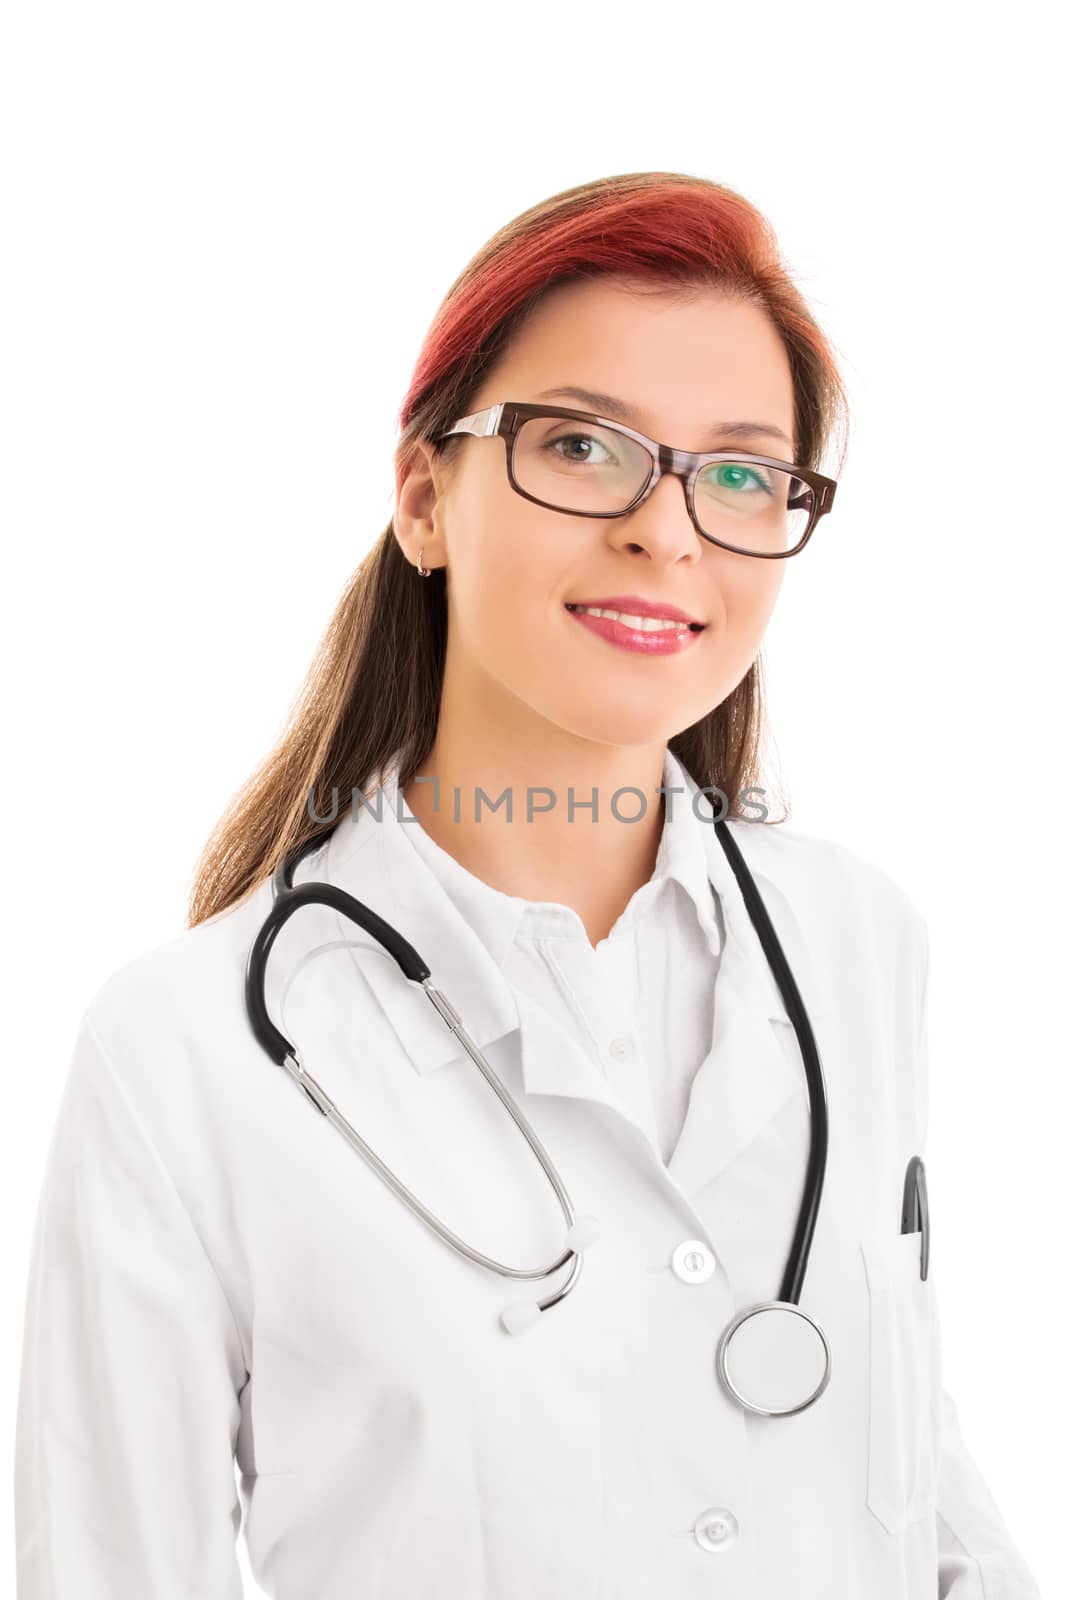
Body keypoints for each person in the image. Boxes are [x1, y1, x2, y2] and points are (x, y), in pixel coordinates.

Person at [14, 170, 1042, 1599]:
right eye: (582, 446)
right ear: (424, 498)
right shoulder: (188, 1050)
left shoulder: (859, 944)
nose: (668, 531)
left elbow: (903, 1456)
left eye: (742, 471)